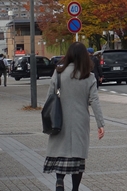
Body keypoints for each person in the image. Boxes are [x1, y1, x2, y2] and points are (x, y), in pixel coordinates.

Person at [43, 42, 105, 191]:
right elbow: (94, 101)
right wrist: (100, 124)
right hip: (80, 121)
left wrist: (47, 118)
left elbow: (49, 98)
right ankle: (75, 188)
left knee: (60, 153)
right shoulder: (88, 77)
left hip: (59, 121)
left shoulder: (58, 73)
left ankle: (59, 181)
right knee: (77, 157)